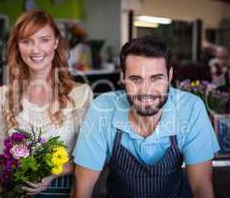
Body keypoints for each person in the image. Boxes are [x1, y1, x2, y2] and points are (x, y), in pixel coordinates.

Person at [72, 37, 220, 198]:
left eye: (156, 78)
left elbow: (201, 187)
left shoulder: (190, 108)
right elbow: (82, 190)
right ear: (123, 77)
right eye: (136, 79)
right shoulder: (102, 109)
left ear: (169, 75)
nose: (146, 90)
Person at [0, 9, 93, 198]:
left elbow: (88, 158)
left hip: (62, 191)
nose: (35, 50)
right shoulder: (3, 95)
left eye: (44, 40)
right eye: (27, 41)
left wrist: (53, 173)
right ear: (18, 46)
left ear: (55, 42)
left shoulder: (80, 94)